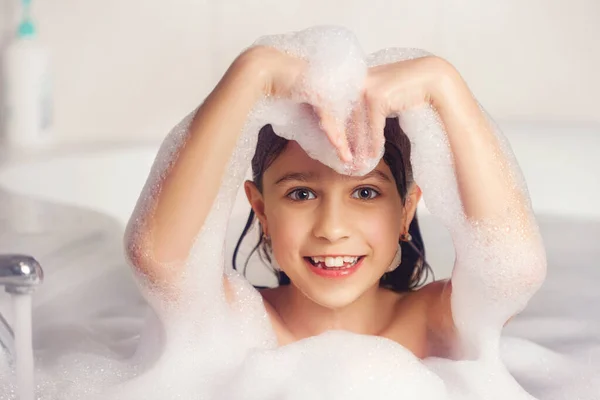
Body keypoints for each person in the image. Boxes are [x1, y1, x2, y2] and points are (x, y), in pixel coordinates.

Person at [126, 45, 543, 360]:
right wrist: (253, 74)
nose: (332, 227)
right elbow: (158, 260)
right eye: (301, 194)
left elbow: (512, 271)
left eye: (365, 192)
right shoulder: (235, 327)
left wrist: (443, 84)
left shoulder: (437, 325)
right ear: (262, 211)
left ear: (405, 211)